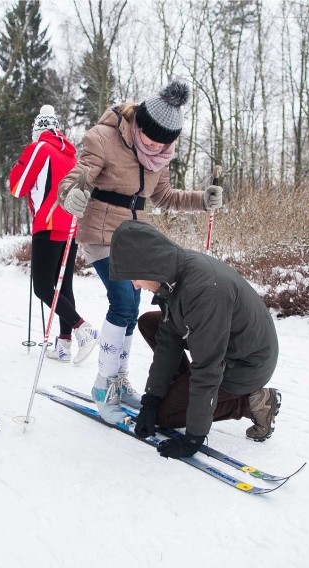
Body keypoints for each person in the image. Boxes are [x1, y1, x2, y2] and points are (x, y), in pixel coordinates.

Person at [58, 79, 224, 424]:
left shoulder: (160, 156)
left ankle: (119, 379)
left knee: (133, 306)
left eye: (164, 142)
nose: (155, 145)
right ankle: (104, 385)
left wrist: (201, 199)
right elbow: (75, 177)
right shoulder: (101, 138)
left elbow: (163, 197)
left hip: (135, 238)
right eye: (150, 137)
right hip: (101, 233)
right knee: (122, 300)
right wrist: (70, 193)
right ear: (139, 123)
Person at [108, 220, 281, 458]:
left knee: (165, 418)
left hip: (245, 364)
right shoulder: (172, 275)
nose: (135, 285)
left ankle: (253, 402)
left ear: (148, 266)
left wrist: (194, 438)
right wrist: (152, 398)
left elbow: (208, 369)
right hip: (225, 345)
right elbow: (168, 342)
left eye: (134, 277)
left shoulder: (203, 293)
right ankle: (180, 391)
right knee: (150, 322)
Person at [9, 105, 98, 364]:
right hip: (70, 226)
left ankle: (83, 328)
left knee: (43, 287)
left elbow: (16, 186)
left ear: (38, 131)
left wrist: (22, 165)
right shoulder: (71, 155)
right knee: (64, 286)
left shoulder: (39, 148)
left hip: (47, 224)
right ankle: (64, 345)